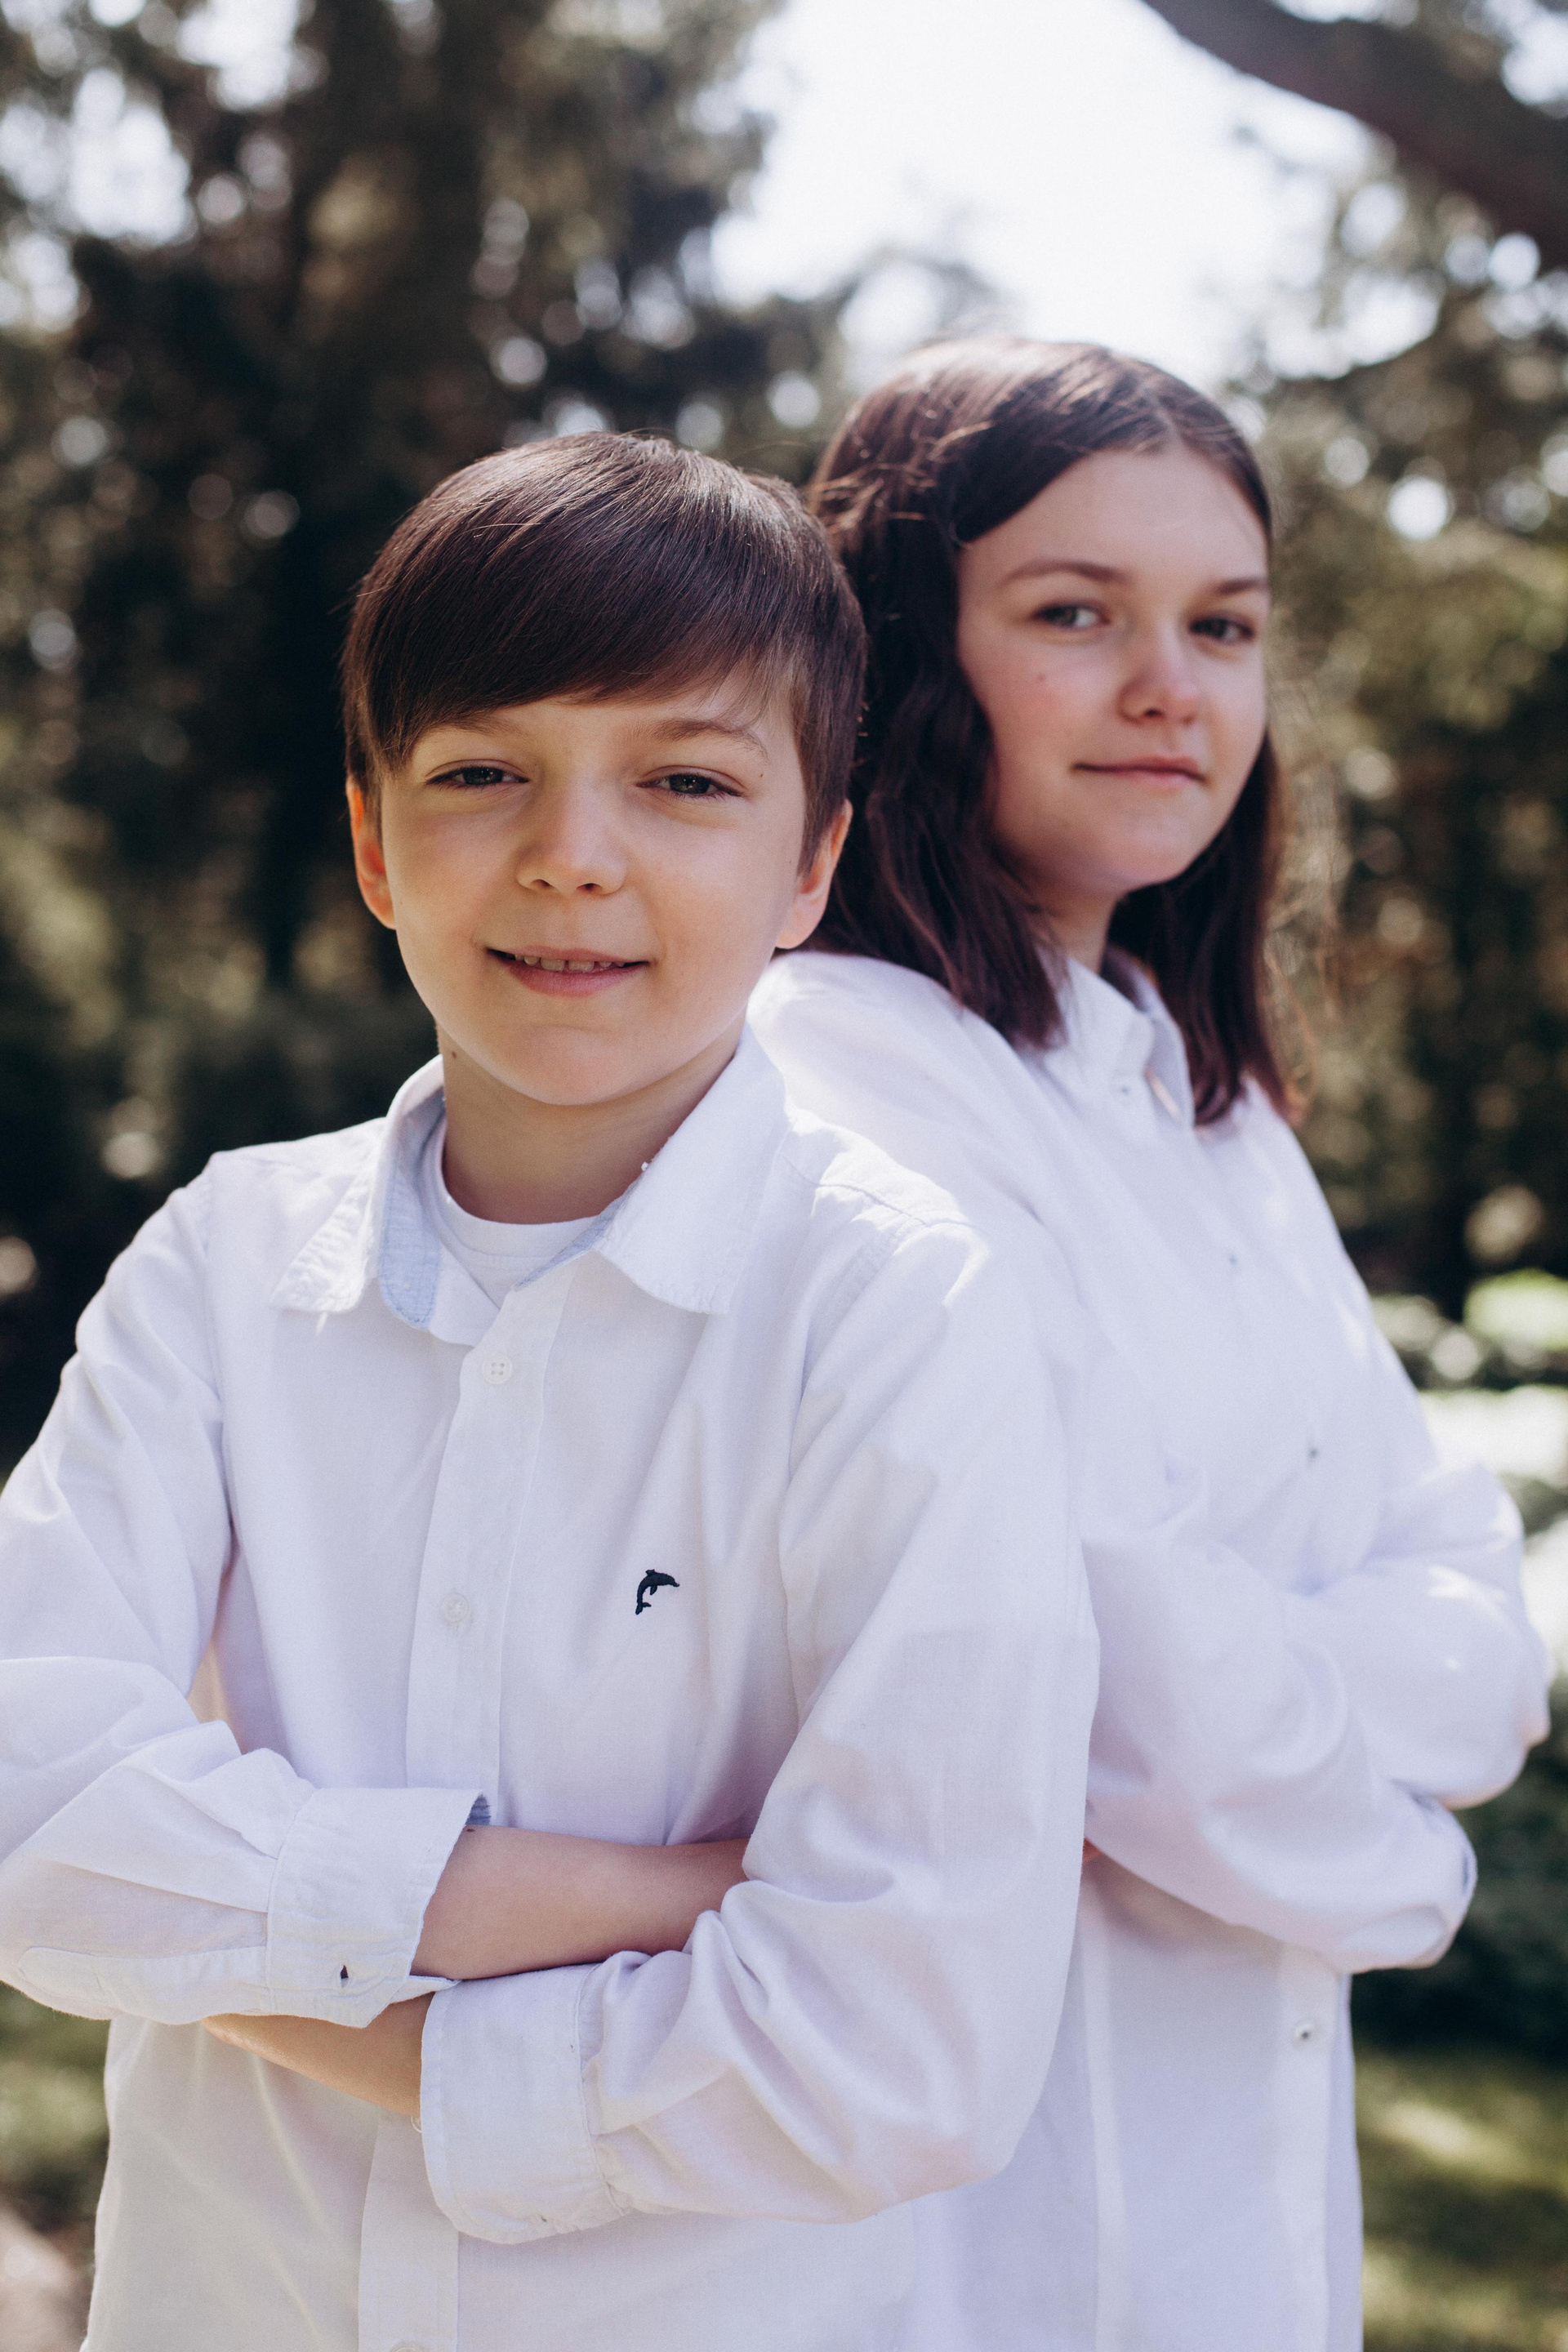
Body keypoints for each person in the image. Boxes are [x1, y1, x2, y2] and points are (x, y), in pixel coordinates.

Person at [0, 434, 1102, 2352]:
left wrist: (243, 1957)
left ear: (812, 863)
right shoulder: (225, 1261)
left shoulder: (896, 1309)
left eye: (686, 781)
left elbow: (900, 2048)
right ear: (372, 844)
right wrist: (652, 1899)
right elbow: (21, 1798)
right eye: (482, 773)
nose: (573, 852)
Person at [750, 339, 1550, 2351]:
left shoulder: (1211, 1112)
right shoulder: (837, 1076)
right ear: (903, 646)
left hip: (1246, 2222)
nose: (1170, 688)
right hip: (964, 2237)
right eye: (1074, 613)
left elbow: (1471, 1607)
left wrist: (1305, 1742)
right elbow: (1125, 1689)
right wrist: (1401, 1862)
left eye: (1224, 625)